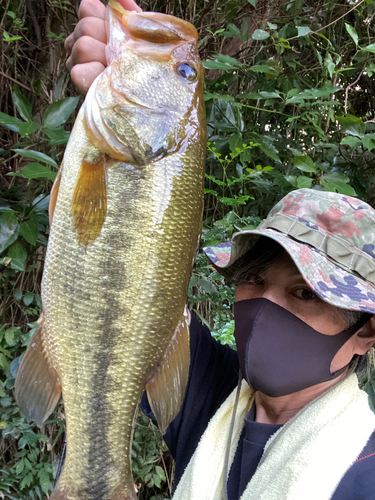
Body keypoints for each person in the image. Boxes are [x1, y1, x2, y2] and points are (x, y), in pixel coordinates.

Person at [65, 2, 375, 498]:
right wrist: (118, 106)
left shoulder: (362, 475)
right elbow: (131, 295)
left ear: (367, 331)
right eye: (253, 279)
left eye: (304, 293)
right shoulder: (213, 389)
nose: (265, 306)